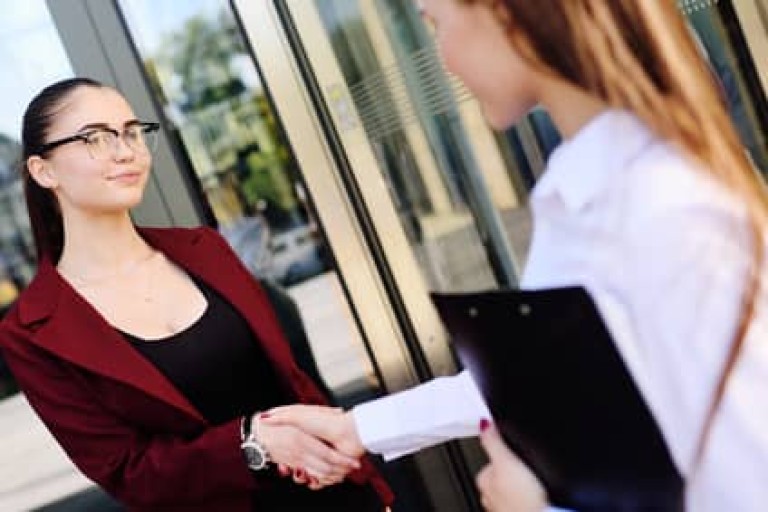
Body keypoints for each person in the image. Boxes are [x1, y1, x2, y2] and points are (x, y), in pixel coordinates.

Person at [260, 0, 768, 511]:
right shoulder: (585, 189)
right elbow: (546, 379)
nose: (443, 57)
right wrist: (357, 428)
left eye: (436, 23)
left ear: (505, 15)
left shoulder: (660, 207)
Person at [0, 77, 393, 512]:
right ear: (43, 170)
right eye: (95, 137)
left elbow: (297, 380)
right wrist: (252, 441)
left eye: (131, 132)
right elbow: (131, 475)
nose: (125, 150)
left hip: (338, 496)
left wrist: (361, 475)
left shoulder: (205, 250)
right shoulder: (31, 332)